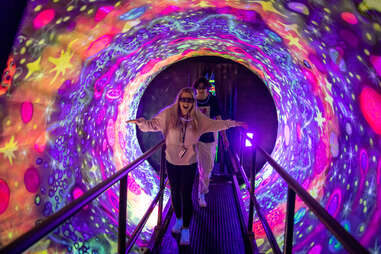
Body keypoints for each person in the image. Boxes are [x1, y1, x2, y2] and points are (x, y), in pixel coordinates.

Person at [127, 87, 247, 246]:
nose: (186, 102)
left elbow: (216, 124)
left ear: (193, 102)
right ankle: (178, 220)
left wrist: (234, 124)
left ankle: (185, 229)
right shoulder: (169, 114)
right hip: (171, 162)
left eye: (189, 100)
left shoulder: (199, 118)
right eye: (183, 99)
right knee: (175, 193)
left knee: (185, 194)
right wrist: (142, 123)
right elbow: (153, 124)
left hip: (189, 163)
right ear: (179, 100)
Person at [192, 77, 229, 208]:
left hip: (209, 136)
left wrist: (224, 137)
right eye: (199, 88)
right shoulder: (192, 100)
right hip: (193, 136)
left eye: (203, 88)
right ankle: (186, 195)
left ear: (207, 89)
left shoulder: (212, 100)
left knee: (207, 167)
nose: (201, 90)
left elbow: (219, 119)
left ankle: (202, 193)